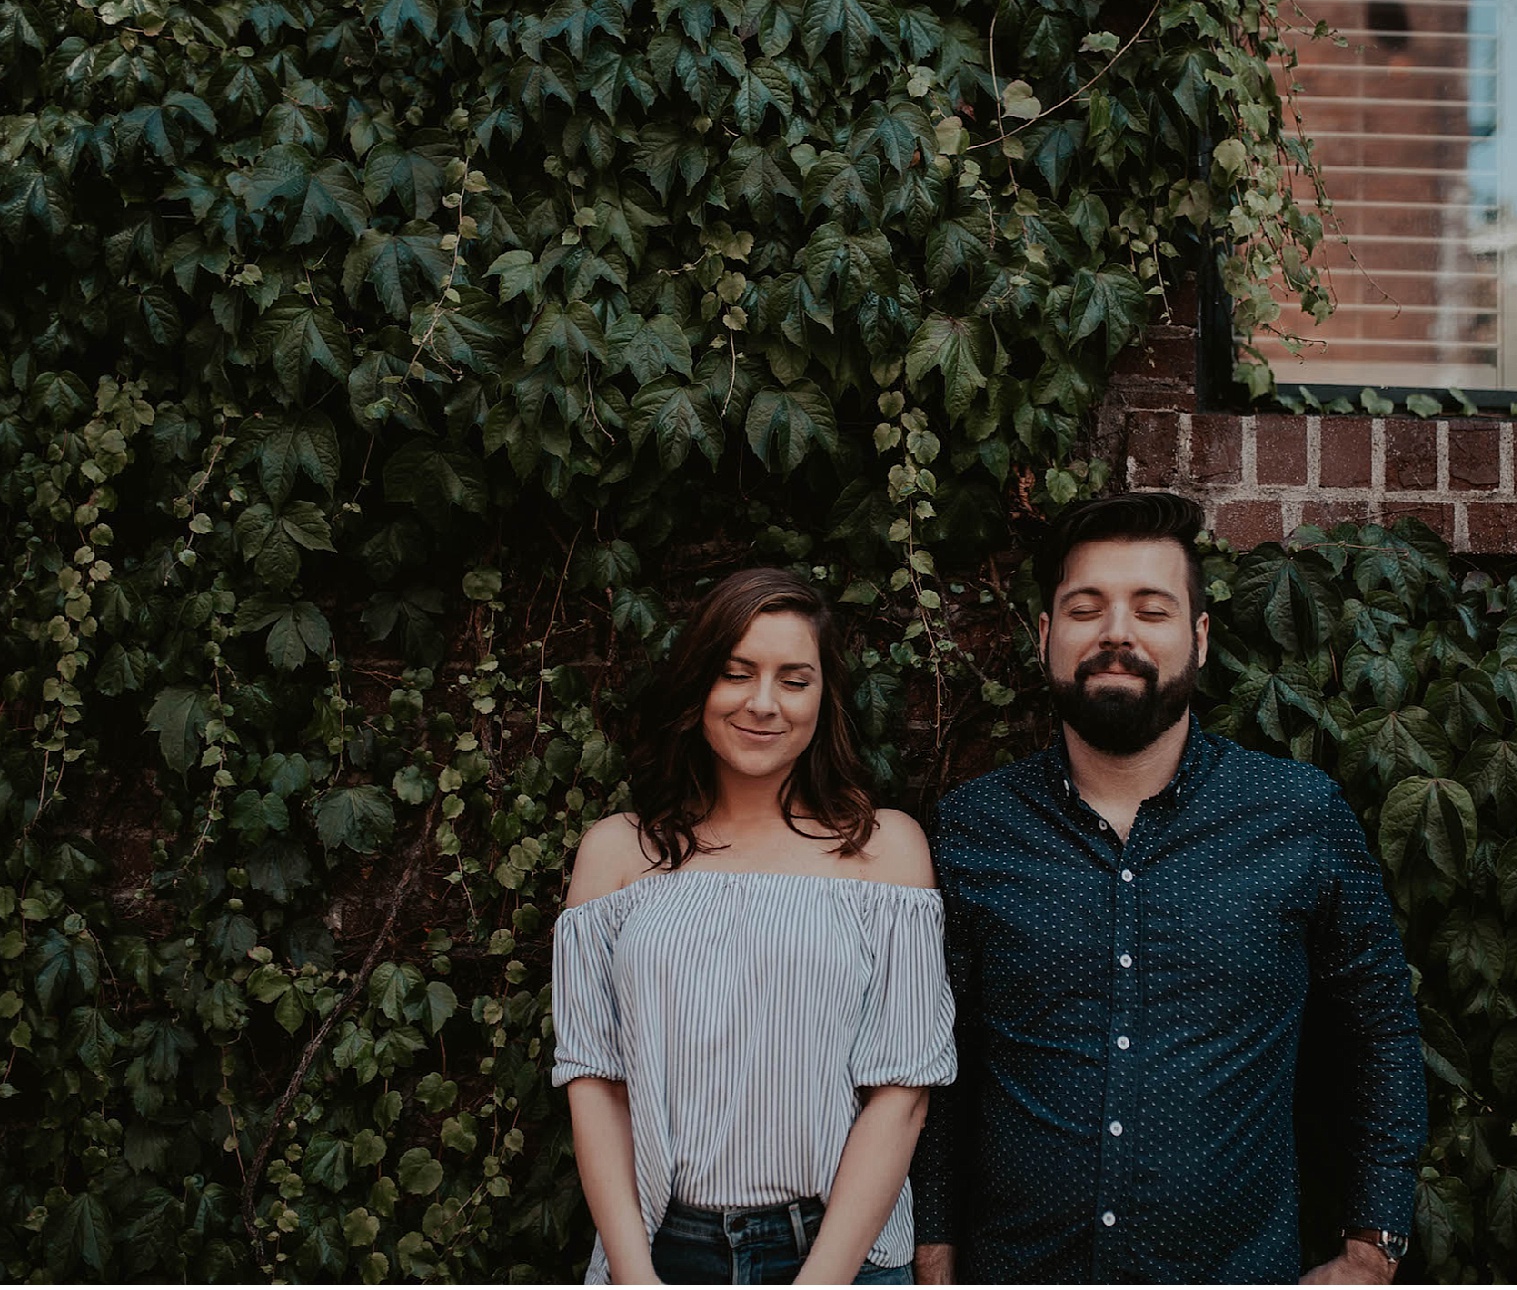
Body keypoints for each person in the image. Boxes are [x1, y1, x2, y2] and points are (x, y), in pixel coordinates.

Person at [910, 492, 1426, 1284]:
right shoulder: (973, 829)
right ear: (1047, 636)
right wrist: (934, 1241)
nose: (1117, 632)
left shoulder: (1299, 817)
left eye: (1151, 610)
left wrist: (1373, 1245)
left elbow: (1380, 1029)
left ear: (1199, 637)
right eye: (1087, 608)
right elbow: (938, 1053)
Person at [552, 567, 956, 1285]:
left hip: (840, 1254)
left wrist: (821, 1280)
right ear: (699, 685)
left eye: (794, 680)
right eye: (737, 674)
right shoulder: (616, 855)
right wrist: (635, 1275)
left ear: (824, 696)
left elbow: (901, 1091)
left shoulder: (885, 850)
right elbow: (595, 1081)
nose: (764, 704)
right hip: (658, 1251)